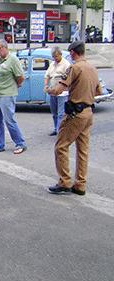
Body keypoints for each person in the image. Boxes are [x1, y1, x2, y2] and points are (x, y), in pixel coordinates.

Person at [46, 41, 102, 196]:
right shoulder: (92, 68)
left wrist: (50, 91)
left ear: (72, 52)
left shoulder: (75, 67)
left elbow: (59, 89)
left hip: (75, 114)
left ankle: (64, 182)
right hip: (88, 112)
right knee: (82, 150)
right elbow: (98, 91)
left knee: (61, 146)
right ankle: (80, 184)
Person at [0, 39, 27, 154]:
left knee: (9, 120)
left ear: (5, 48)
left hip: (7, 95)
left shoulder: (12, 60)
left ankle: (20, 143)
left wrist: (15, 86)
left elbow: (20, 77)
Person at [44, 47, 71, 136]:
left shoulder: (66, 64)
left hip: (62, 93)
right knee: (54, 112)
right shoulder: (52, 64)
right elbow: (47, 75)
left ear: (60, 55)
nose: (55, 58)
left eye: (56, 56)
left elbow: (67, 79)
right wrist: (46, 85)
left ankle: (60, 131)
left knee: (61, 113)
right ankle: (56, 128)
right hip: (52, 91)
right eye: (53, 57)